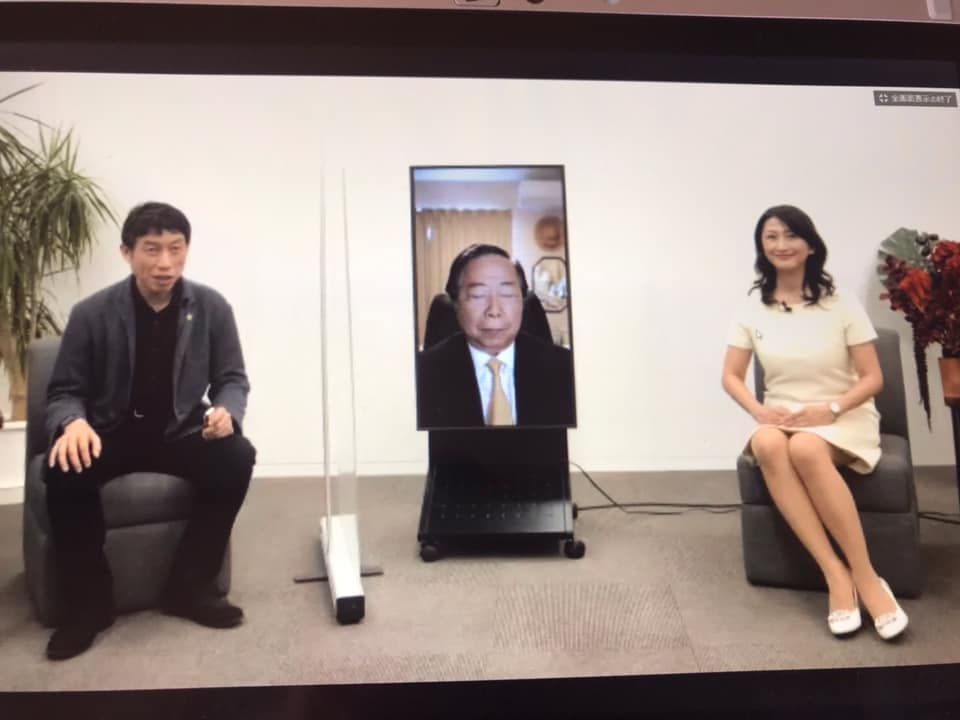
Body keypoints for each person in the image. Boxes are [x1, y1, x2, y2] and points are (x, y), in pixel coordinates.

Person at [43, 202, 256, 660]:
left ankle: (190, 587)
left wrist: (226, 411)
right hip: (110, 431)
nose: (165, 263)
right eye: (152, 249)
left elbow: (232, 379)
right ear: (127, 252)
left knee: (237, 456)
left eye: (176, 249)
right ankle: (89, 606)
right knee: (63, 468)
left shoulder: (212, 307)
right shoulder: (91, 313)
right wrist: (73, 422)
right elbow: (64, 390)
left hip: (179, 430)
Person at [721, 205, 908, 640]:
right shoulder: (752, 307)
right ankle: (835, 574)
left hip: (843, 415)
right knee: (767, 443)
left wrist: (831, 410)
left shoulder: (841, 302)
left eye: (791, 236)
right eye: (771, 237)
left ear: (810, 245)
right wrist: (759, 411)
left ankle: (867, 578)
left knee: (805, 447)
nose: (781, 245)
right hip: (783, 416)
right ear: (761, 247)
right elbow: (730, 375)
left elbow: (873, 378)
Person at [417, 244, 575, 429]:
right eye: (477, 295)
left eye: (507, 294)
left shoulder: (567, 368)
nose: (494, 310)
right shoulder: (421, 373)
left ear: (522, 302)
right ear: (456, 303)